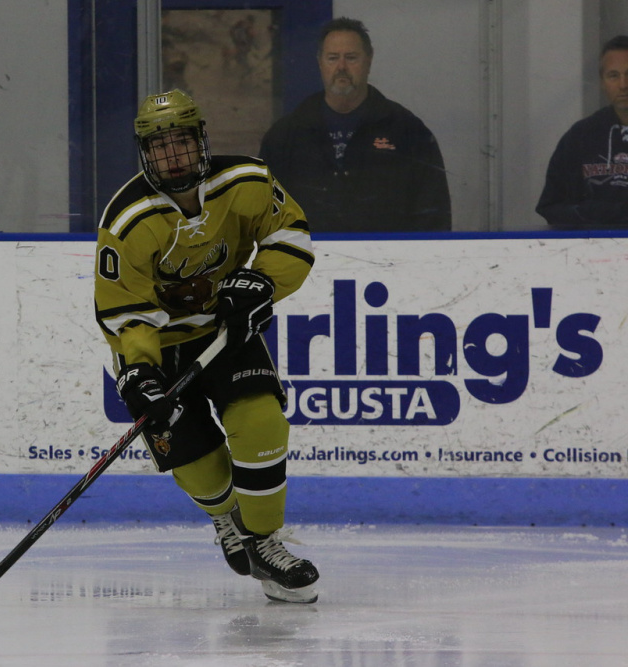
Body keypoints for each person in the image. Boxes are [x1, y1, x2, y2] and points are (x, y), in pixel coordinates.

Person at [93, 89, 319, 603]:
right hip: (162, 346)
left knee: (261, 421)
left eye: (181, 142)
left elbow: (292, 234)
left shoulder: (246, 180)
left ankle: (263, 541)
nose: (172, 156)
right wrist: (140, 372)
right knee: (196, 461)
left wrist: (260, 281)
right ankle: (226, 518)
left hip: (226, 330)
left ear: (201, 141)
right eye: (159, 147)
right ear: (144, 154)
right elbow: (125, 310)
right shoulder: (127, 219)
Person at [258, 17, 451, 232]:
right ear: (319, 63)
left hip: (389, 263)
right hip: (305, 263)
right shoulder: (285, 137)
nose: (341, 67)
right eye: (332, 58)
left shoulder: (409, 133)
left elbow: (434, 219)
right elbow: (263, 217)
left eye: (351, 58)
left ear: (369, 61)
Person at [536, 35, 628, 227]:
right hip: (588, 252)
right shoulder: (580, 136)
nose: (623, 85)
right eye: (613, 75)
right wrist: (598, 214)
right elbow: (551, 208)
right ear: (602, 82)